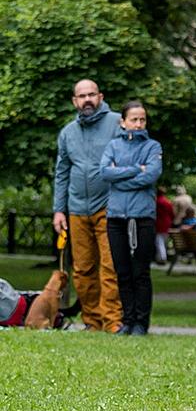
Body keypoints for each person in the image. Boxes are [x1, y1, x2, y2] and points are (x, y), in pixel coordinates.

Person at [53, 79, 123, 333]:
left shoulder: (117, 123)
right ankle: (92, 322)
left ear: (101, 97)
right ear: (75, 101)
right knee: (82, 269)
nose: (87, 100)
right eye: (82, 96)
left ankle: (113, 321)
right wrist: (58, 209)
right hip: (76, 208)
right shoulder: (67, 132)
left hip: (109, 206)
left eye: (91, 94)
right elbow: (61, 173)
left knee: (110, 265)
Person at [100, 101, 163, 336]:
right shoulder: (113, 146)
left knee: (140, 272)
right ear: (123, 122)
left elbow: (151, 175)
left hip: (141, 217)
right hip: (116, 216)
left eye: (142, 119)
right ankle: (126, 320)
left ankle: (140, 322)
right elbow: (105, 172)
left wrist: (121, 176)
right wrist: (137, 169)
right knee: (122, 271)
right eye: (134, 119)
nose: (138, 124)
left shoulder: (152, 146)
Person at [155, 187, 175, 264]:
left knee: (159, 241)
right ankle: (161, 257)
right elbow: (172, 213)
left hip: (159, 223)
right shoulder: (167, 202)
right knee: (163, 241)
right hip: (167, 223)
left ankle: (162, 257)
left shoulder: (157, 202)